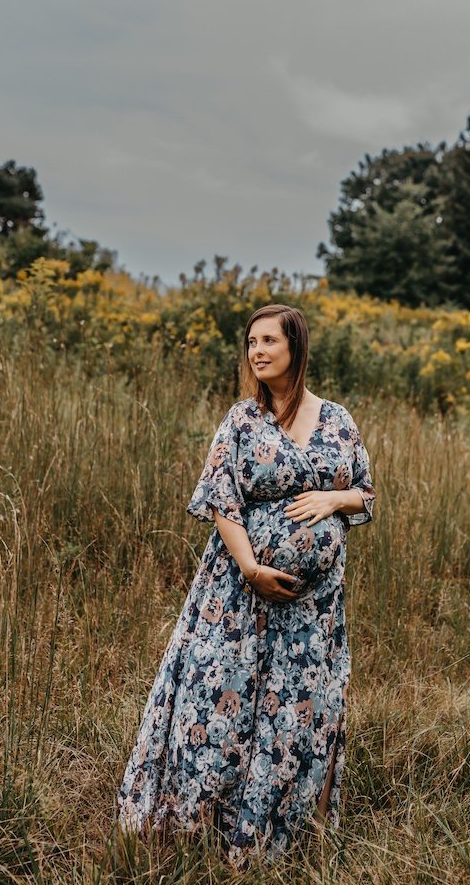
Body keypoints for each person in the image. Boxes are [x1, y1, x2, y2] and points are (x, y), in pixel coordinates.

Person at [117, 303, 375, 868]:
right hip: (237, 594)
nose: (256, 351)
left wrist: (334, 498)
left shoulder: (337, 420)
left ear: (296, 348)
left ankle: (276, 835)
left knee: (297, 708)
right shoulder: (241, 420)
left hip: (313, 607)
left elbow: (366, 495)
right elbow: (221, 501)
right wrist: (252, 569)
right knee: (219, 701)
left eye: (268, 341)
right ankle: (195, 827)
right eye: (251, 342)